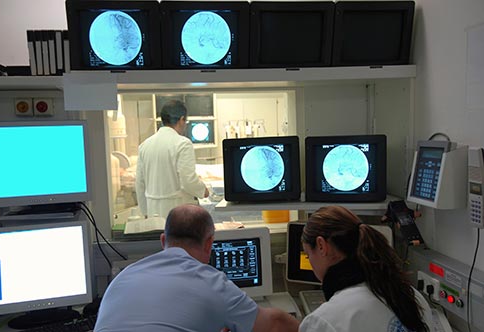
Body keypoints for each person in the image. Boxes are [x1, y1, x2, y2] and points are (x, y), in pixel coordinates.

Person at [94, 204, 300, 332]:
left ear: (163, 240)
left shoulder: (124, 276)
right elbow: (274, 325)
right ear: (209, 243)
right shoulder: (210, 282)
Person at [299, 205, 434, 332]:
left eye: (308, 254)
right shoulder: (413, 297)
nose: (311, 262)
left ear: (321, 246)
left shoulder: (325, 321)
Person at [135, 99, 209, 219]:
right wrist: (203, 190)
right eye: (186, 121)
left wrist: (145, 212)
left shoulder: (145, 145)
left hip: (153, 212)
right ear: (181, 120)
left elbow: (139, 184)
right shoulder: (183, 143)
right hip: (178, 213)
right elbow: (188, 180)